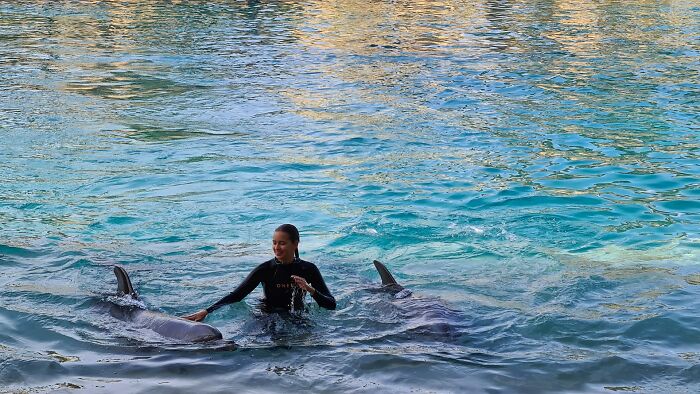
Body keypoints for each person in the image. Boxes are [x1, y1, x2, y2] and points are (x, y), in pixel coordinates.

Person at [182, 224, 336, 322]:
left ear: (295, 244)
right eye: (274, 242)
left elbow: (331, 304)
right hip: (267, 316)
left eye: (282, 243)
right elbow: (237, 295)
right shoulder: (265, 269)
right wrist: (207, 311)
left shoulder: (308, 269)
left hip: (298, 316)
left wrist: (310, 290)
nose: (276, 247)